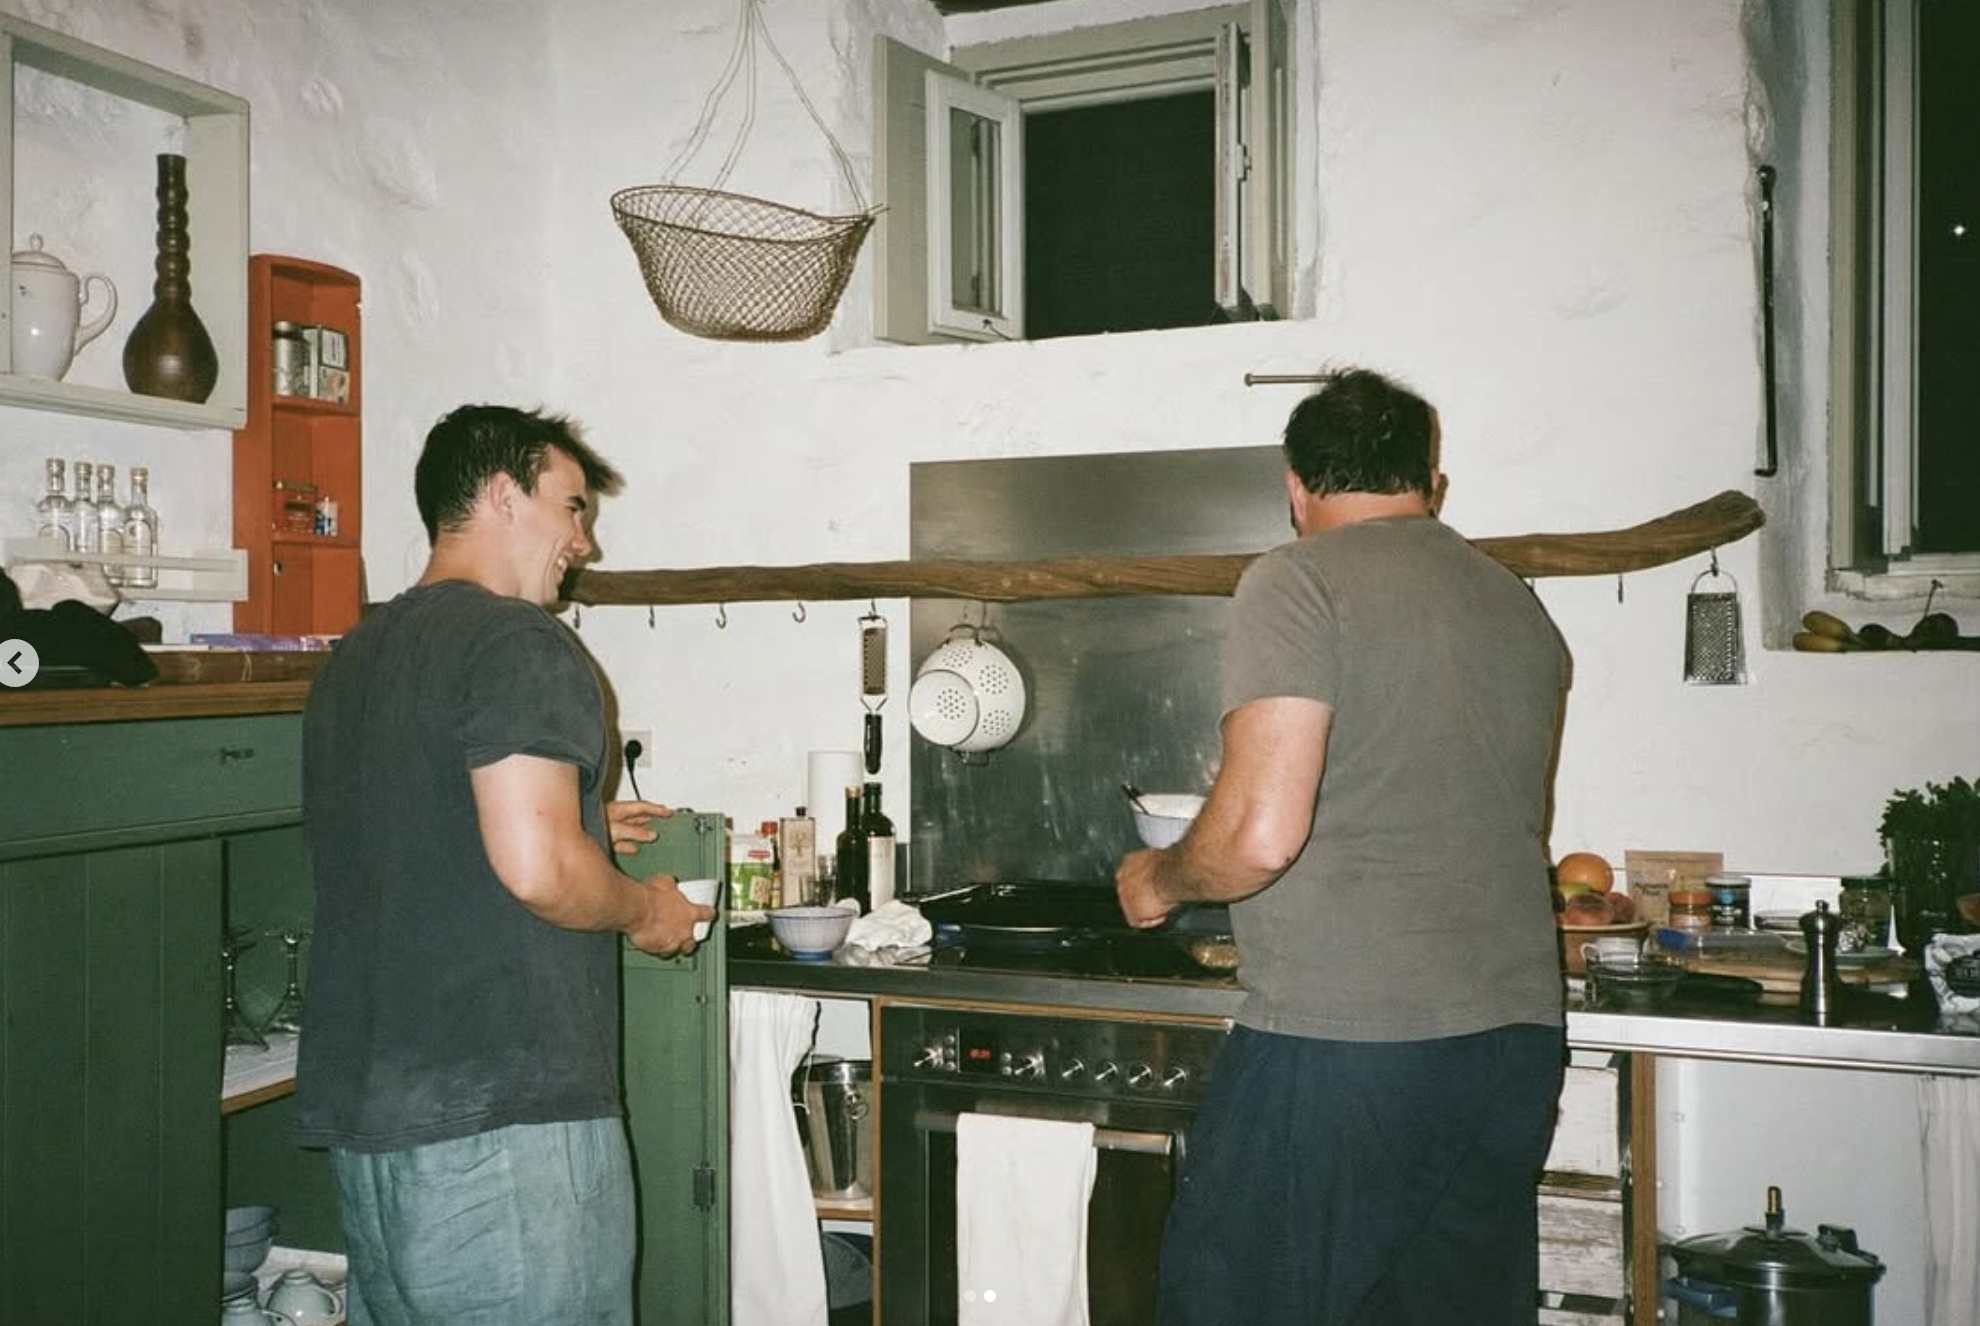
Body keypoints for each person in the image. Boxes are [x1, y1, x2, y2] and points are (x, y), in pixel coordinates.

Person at [1115, 367, 1570, 1326]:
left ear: (1295, 487)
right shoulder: (1514, 603)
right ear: (1429, 483)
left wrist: (1159, 878)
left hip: (1348, 1044)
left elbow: (1262, 834)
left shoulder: (1296, 578)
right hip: (1513, 1040)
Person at [296, 403, 712, 1326]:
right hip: (505, 1128)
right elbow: (535, 870)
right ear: (500, 495)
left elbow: (418, 826)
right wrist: (648, 911)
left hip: (377, 1134)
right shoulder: (517, 639)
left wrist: (583, 820)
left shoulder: (356, 656)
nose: (585, 541)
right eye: (572, 507)